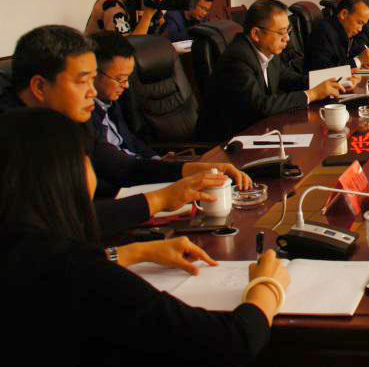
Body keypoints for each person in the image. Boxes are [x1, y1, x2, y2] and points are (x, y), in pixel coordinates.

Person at [0, 108, 290, 365]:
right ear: (63, 176)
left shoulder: (25, 251)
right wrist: (267, 286)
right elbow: (231, 344)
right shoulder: (82, 273)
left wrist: (133, 252)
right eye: (86, 160)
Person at [3, 25, 245, 237]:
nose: (92, 92)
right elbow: (62, 222)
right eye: (82, 81)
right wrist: (160, 199)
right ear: (40, 87)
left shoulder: (69, 119)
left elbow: (122, 167)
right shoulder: (11, 142)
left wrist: (190, 169)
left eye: (93, 80)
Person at [196, 0, 343, 143]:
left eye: (288, 31)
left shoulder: (266, 51)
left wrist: (334, 80)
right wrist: (313, 94)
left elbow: (290, 79)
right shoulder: (237, 58)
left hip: (258, 131)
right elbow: (260, 105)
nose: (287, 38)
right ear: (256, 34)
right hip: (226, 144)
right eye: (281, 32)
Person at [89, 32, 156, 159]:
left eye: (128, 78)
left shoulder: (111, 101)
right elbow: (112, 164)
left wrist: (156, 159)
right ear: (94, 73)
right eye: (120, 79)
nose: (126, 85)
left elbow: (129, 139)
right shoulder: (85, 114)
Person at [304, 0, 369, 71]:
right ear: (344, 14)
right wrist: (358, 60)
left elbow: (347, 57)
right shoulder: (323, 32)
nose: (360, 29)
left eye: (363, 25)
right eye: (359, 22)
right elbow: (324, 70)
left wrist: (363, 60)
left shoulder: (346, 32)